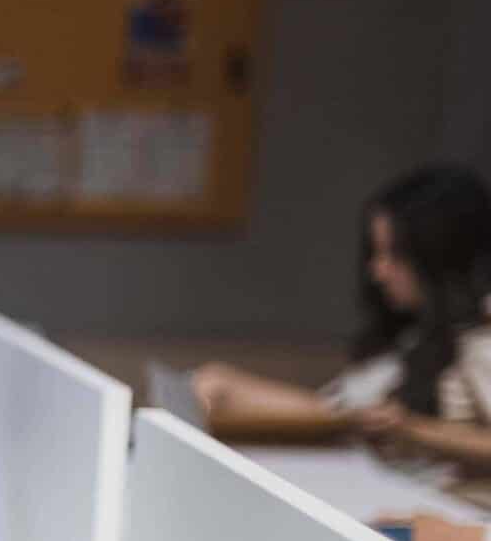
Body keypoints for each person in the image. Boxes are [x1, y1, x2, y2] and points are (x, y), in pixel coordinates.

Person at [193, 164, 491, 482]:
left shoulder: (478, 342)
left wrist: (410, 428)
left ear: (439, 256)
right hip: (348, 459)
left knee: (216, 389)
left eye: (394, 255)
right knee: (213, 383)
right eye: (376, 254)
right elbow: (341, 412)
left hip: (404, 498)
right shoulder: (414, 336)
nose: (378, 272)